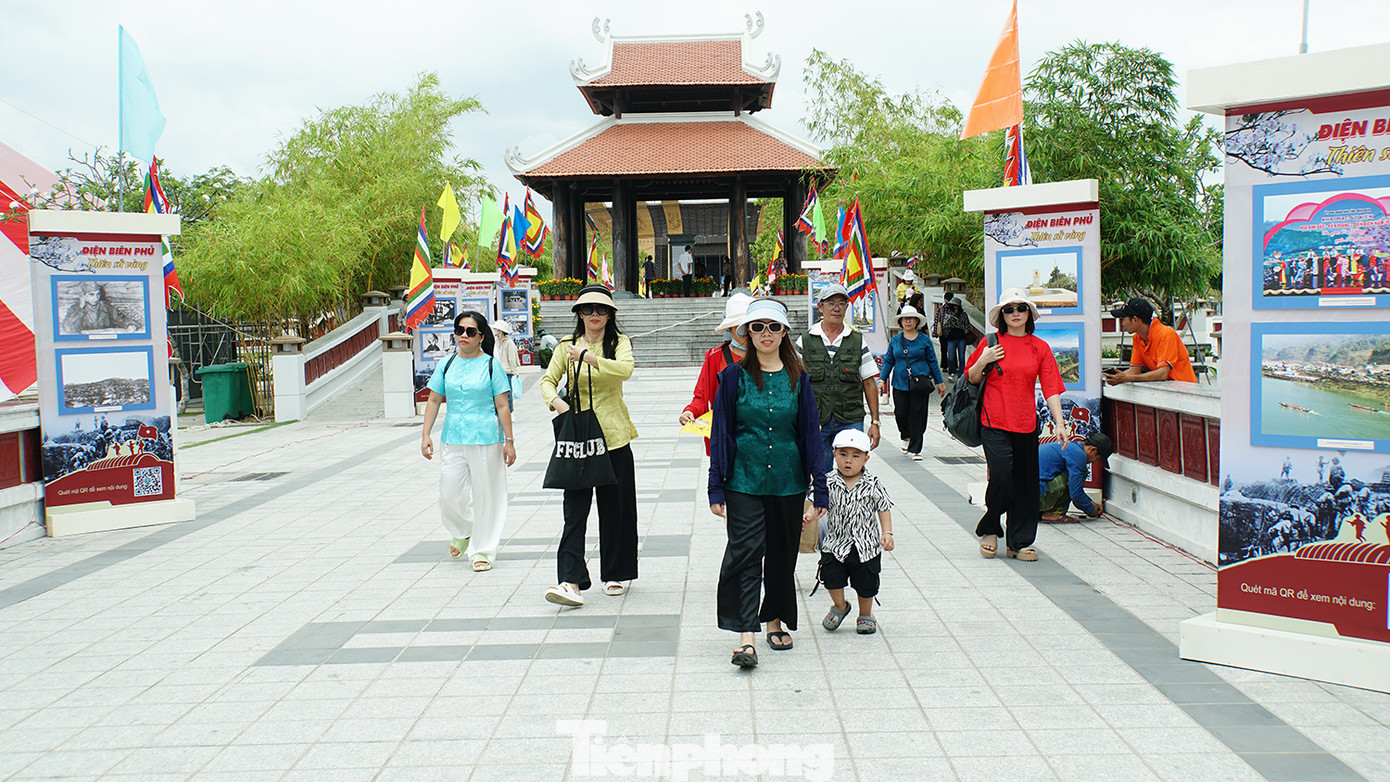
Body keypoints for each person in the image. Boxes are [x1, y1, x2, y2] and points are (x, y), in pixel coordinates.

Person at [709, 298, 828, 669]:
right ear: (746, 332)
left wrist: (818, 487)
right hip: (743, 479)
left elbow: (810, 433)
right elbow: (721, 431)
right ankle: (746, 637)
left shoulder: (799, 379)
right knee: (745, 553)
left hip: (788, 481)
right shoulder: (732, 378)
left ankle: (774, 617)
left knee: (781, 554)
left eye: (773, 327)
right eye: (757, 327)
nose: (765, 334)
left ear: (784, 333)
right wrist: (715, 485)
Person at [540, 285, 639, 606]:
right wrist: (557, 403)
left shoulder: (618, 343)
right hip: (579, 438)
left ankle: (616, 572)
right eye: (587, 310)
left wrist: (591, 358)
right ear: (578, 314)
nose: (594, 315)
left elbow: (625, 370)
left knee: (617, 509)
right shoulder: (565, 346)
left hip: (614, 436)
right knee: (575, 510)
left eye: (601, 310)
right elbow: (547, 381)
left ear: (610, 314)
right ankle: (570, 581)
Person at [965, 287, 1070, 562]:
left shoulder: (1040, 347)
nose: (1015, 314)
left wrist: (1059, 423)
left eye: (1020, 308)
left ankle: (1018, 542)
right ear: (1001, 315)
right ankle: (990, 527)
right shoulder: (990, 343)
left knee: (1025, 486)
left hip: (1026, 424)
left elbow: (1051, 389)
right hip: (994, 421)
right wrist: (984, 360)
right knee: (1000, 476)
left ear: (1028, 314)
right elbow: (972, 378)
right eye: (1009, 309)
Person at [420, 312, 517, 571]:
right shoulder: (447, 364)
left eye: (470, 331)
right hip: (453, 438)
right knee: (447, 494)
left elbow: (502, 405)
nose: (464, 335)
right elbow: (433, 399)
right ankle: (463, 530)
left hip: (486, 438)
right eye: (460, 330)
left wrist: (509, 441)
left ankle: (482, 550)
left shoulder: (491, 365)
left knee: (487, 496)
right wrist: (425, 434)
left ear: (481, 337)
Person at [795, 283, 882, 473]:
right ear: (820, 307)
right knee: (818, 473)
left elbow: (868, 382)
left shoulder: (857, 340)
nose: (836, 308)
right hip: (816, 419)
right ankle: (822, 503)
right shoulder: (805, 340)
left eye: (841, 303)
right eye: (831, 303)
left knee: (852, 473)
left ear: (846, 308)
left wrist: (875, 422)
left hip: (850, 418)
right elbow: (794, 383)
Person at [819, 429, 893, 635]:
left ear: (866, 459)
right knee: (831, 577)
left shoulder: (873, 483)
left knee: (866, 583)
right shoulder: (827, 481)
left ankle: (865, 614)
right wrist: (809, 514)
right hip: (835, 543)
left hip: (866, 545)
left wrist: (887, 533)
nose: (848, 461)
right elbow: (817, 503)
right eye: (843, 454)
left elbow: (884, 507)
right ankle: (840, 606)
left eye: (855, 456)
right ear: (834, 455)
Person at [680, 293, 752, 453]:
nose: (747, 334)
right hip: (726, 437)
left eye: (751, 327)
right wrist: (689, 411)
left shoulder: (769, 355)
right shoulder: (715, 358)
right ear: (730, 329)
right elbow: (701, 397)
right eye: (740, 329)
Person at [877, 305, 945, 461]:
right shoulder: (895, 340)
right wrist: (882, 379)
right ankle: (905, 436)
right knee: (900, 413)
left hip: (920, 383)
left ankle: (916, 448)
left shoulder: (924, 340)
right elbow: (888, 360)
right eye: (905, 319)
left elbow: (933, 361)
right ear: (901, 322)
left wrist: (939, 382)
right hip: (900, 383)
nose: (908, 321)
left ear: (916, 321)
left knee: (918, 416)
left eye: (911, 318)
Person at [1105, 297, 1197, 385]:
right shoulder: (1137, 338)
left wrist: (1128, 378)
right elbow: (1134, 370)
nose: (1123, 323)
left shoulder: (1166, 334)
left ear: (1135, 319)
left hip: (1186, 391)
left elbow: (1162, 374)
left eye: (1124, 319)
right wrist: (1116, 377)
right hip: (1166, 390)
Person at [1038, 432, 1112, 522]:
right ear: (1092, 450)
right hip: (1034, 495)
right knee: (1081, 473)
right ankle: (1055, 513)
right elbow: (1075, 494)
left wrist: (1090, 502)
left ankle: (1040, 513)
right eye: (1097, 459)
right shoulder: (1078, 455)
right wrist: (1091, 509)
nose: (1093, 462)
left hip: (1023, 495)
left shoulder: (1071, 446)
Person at [63, 281, 135, 334]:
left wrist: (130, 324)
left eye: (98, 294)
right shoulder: (76, 308)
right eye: (91, 294)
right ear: (84, 296)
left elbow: (120, 319)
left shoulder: (105, 306)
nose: (96, 298)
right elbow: (68, 328)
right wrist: (80, 308)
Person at [492, 319, 521, 408]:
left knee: (508, 393)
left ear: (501, 331)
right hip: (498, 371)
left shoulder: (509, 343)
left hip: (507, 372)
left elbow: (511, 359)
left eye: (496, 329)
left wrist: (514, 371)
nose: (495, 332)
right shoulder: (496, 342)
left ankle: (510, 411)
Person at [941, 297, 970, 379]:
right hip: (951, 338)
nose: (954, 307)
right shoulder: (948, 314)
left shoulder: (963, 315)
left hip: (961, 338)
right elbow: (945, 325)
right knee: (950, 357)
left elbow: (967, 326)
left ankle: (961, 374)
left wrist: (963, 330)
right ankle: (952, 372)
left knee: (962, 358)